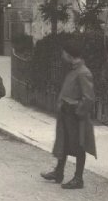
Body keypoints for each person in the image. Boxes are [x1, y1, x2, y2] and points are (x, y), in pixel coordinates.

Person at [41, 40, 97, 189]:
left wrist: (76, 111)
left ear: (69, 54)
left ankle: (78, 179)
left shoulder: (83, 72)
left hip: (76, 117)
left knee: (79, 146)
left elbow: (89, 98)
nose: (62, 55)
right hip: (66, 115)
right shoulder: (73, 70)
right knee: (63, 143)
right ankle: (58, 173)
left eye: (63, 52)